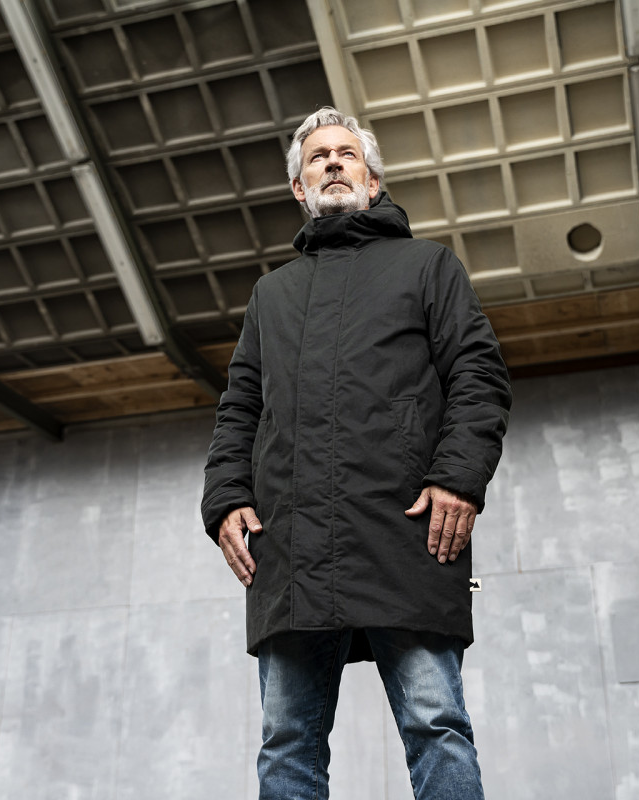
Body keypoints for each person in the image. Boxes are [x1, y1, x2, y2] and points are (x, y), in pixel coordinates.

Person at [202, 106, 512, 800]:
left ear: (372, 182)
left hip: (406, 532)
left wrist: (458, 479)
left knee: (437, 724)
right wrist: (225, 499)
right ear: (299, 188)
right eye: (318, 157)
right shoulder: (270, 295)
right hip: (289, 550)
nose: (334, 162)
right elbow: (239, 409)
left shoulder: (428, 266)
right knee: (286, 744)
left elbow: (478, 374)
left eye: (347, 154)